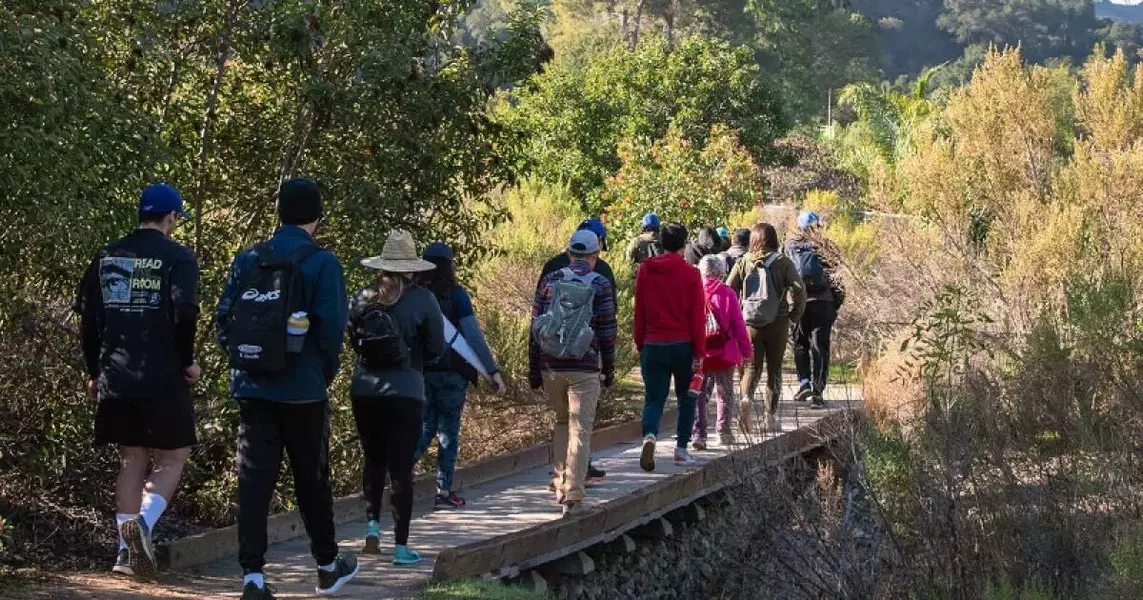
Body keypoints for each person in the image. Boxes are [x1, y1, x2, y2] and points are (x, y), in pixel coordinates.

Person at [217, 178, 357, 599]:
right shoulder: (323, 263)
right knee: (311, 478)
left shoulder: (248, 258)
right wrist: (318, 373)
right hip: (303, 389)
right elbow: (333, 331)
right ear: (317, 215)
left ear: (279, 212)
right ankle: (327, 566)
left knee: (253, 480)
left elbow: (224, 319)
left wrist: (245, 360)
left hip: (252, 388)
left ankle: (253, 578)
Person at [74, 183, 200, 579]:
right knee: (173, 456)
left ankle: (125, 554)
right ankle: (141, 528)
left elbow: (89, 323)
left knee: (131, 458)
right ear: (171, 218)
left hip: (117, 373)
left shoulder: (108, 255)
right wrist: (187, 362)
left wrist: (95, 372)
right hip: (162, 373)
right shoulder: (179, 258)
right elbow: (185, 314)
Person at [349, 230, 445, 565]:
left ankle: (372, 529)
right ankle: (401, 547)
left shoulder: (363, 296)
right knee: (401, 469)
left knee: (373, 459)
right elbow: (436, 348)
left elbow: (352, 339)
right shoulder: (423, 299)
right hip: (406, 391)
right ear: (413, 267)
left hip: (364, 389)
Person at [414, 242, 507, 510]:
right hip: (452, 373)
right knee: (448, 431)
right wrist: (492, 371)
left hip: (421, 373)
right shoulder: (456, 295)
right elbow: (472, 336)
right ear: (449, 265)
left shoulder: (415, 294)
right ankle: (444, 490)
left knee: (425, 426)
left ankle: (397, 472)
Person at [530, 230, 617, 516]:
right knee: (581, 429)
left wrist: (535, 367)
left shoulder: (550, 281)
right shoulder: (600, 283)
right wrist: (609, 365)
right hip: (585, 366)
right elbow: (607, 328)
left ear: (569, 253)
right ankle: (574, 496)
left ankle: (558, 482)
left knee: (561, 423)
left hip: (551, 364)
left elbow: (535, 325)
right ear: (596, 255)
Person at [634, 222, 706, 471]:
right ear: (684, 245)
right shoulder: (692, 274)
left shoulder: (645, 270)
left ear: (662, 243)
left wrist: (639, 342)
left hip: (653, 343)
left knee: (654, 397)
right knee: (687, 397)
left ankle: (650, 435)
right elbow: (698, 316)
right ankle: (681, 449)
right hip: (682, 344)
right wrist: (699, 352)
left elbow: (639, 311)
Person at [726, 223, 806, 432]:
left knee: (752, 367)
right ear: (773, 239)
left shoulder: (743, 261)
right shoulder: (783, 262)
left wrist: (737, 315)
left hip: (750, 322)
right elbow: (799, 290)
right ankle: (770, 417)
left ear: (753, 240)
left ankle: (745, 399)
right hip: (777, 321)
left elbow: (729, 289)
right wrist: (793, 315)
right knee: (774, 369)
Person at [785, 211, 846, 409]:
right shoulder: (826, 246)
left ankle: (804, 383)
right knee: (820, 348)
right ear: (817, 226)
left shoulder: (788, 246)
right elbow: (837, 279)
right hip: (823, 303)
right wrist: (835, 303)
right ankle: (818, 393)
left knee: (800, 344)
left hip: (799, 302)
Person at [691, 255, 752, 450]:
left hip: (700, 350)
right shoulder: (727, 293)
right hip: (724, 351)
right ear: (721, 272)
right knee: (724, 391)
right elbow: (738, 325)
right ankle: (724, 431)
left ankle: (698, 435)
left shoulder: (693, 292)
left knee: (698, 392)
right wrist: (746, 350)